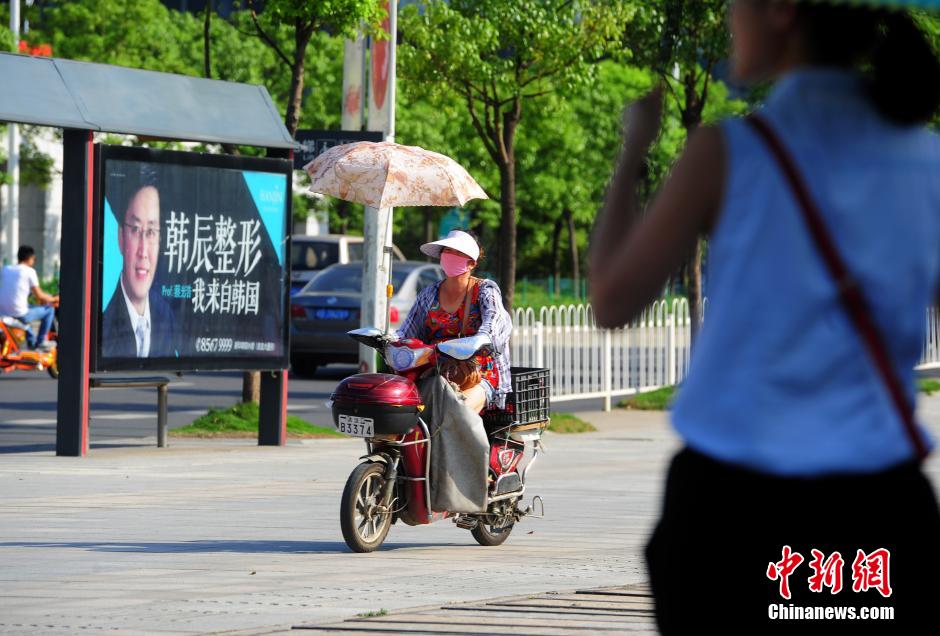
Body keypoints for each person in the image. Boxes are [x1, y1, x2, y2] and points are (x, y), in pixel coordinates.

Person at [589, 1, 940, 633]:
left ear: (781, 10)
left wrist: (634, 147)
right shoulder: (929, 162)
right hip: (879, 510)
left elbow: (612, 300)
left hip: (735, 512)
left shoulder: (726, 152)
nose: (729, 17)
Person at [396, 229, 513, 412]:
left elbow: (495, 321)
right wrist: (390, 340)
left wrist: (481, 338)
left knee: (459, 409)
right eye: (447, 250)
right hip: (435, 374)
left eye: (458, 253)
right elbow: (407, 332)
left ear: (472, 263)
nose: (451, 256)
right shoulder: (428, 294)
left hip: (477, 375)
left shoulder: (485, 290)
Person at [101, 183, 178, 358]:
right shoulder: (103, 325)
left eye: (151, 232)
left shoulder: (166, 317)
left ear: (160, 240)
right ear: (121, 237)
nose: (143, 251)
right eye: (135, 230)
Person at [0, 245, 58, 350]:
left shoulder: (6, 269)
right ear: (30, 258)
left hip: (3, 311)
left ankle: (30, 341)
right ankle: (41, 341)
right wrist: (55, 299)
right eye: (34, 259)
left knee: (28, 306)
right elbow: (40, 296)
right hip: (19, 313)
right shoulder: (29, 271)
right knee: (49, 310)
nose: (34, 261)